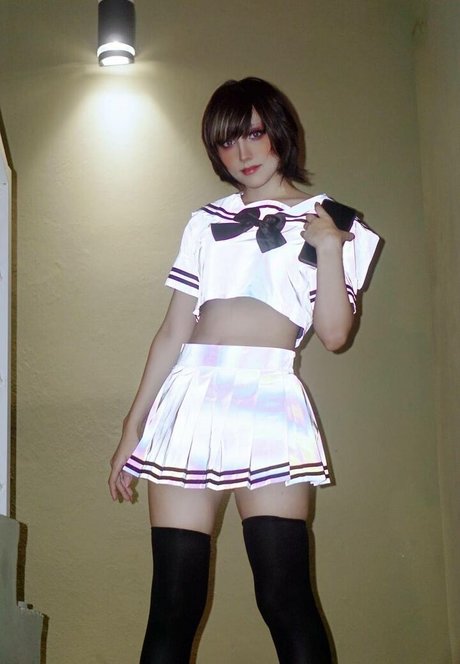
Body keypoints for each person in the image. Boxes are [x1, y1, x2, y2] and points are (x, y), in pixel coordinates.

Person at [108, 77, 380, 664]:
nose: (243, 153)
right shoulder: (205, 222)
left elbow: (335, 335)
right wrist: (133, 428)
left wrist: (329, 247)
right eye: (227, 142)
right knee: (173, 604)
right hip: (191, 398)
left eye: (254, 134)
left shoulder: (335, 221)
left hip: (269, 402)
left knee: (284, 596)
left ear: (280, 131)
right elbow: (173, 331)